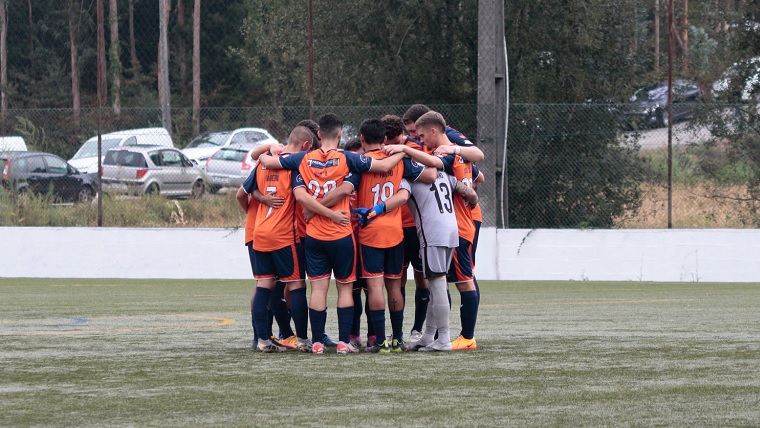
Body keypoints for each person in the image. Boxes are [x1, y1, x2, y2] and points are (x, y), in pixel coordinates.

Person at [257, 113, 406, 354]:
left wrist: (270, 148)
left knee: (318, 289)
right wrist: (403, 150)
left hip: (314, 235)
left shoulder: (302, 158)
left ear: (318, 134)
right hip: (342, 233)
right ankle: (344, 342)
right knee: (346, 288)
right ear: (340, 135)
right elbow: (384, 165)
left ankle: (316, 342)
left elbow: (267, 162)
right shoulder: (348, 158)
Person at [386, 110, 481, 351]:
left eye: (419, 136)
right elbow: (474, 181)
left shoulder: (440, 157)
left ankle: (449, 338)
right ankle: (430, 335)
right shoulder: (452, 157)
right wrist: (470, 197)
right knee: (437, 281)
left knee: (448, 282)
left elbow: (428, 174)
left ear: (433, 131)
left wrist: (376, 209)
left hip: (442, 228)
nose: (418, 140)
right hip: (455, 225)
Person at [352, 118, 435, 353]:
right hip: (395, 232)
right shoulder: (401, 162)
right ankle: (398, 339)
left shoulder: (360, 161)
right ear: (385, 139)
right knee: (394, 285)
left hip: (370, 231)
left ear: (362, 138)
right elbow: (430, 176)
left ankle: (379, 341)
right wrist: (404, 154)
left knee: (375, 286)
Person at [246, 126, 314, 353]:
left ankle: (263, 340)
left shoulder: (263, 163)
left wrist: (263, 199)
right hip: (285, 234)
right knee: (296, 284)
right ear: (305, 146)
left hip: (260, 232)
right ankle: (303, 339)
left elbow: (248, 190)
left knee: (264, 284)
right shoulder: (296, 165)